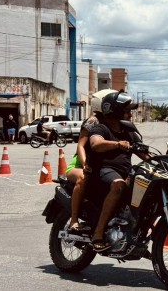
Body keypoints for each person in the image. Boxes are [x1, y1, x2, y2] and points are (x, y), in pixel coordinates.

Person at [88, 90, 147, 252]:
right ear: (115, 111)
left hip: (125, 172)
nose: (130, 114)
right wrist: (117, 144)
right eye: (127, 111)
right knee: (119, 185)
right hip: (104, 171)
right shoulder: (101, 128)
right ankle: (98, 234)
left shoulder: (129, 132)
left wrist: (165, 162)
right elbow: (96, 144)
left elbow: (145, 154)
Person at [65, 89, 115, 233]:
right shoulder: (93, 121)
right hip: (79, 165)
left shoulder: (113, 121)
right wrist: (85, 163)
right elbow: (80, 145)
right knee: (82, 178)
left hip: (102, 166)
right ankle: (74, 220)